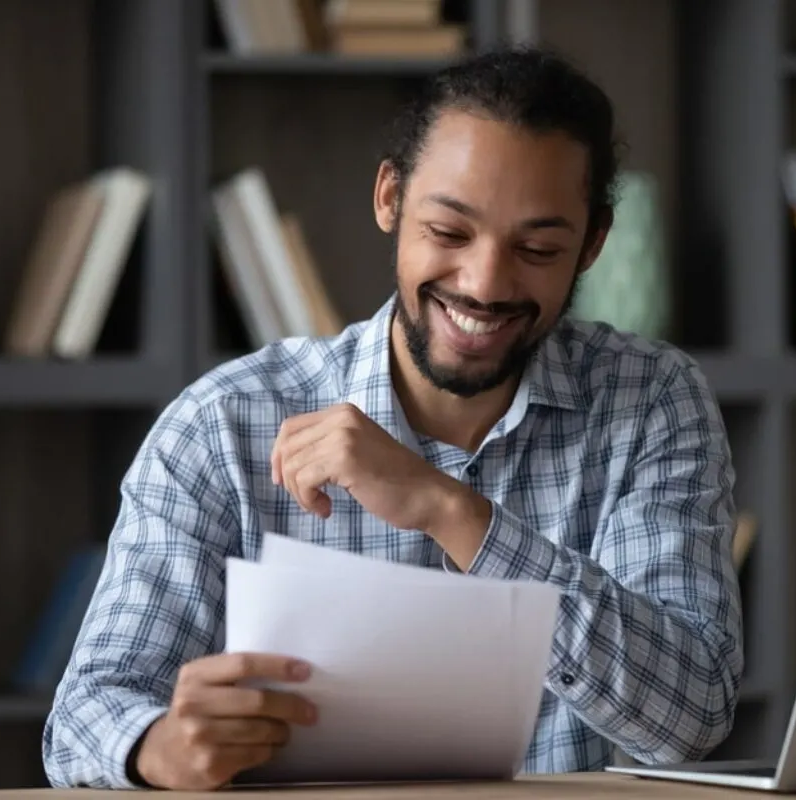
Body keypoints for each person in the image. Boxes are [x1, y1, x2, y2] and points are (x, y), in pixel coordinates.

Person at [42, 45, 744, 791]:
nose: (484, 284)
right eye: (449, 233)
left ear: (593, 244)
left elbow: (691, 717)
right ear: (390, 199)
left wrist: (453, 512)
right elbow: (84, 717)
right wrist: (160, 746)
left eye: (538, 248)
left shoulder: (651, 399)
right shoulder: (223, 424)